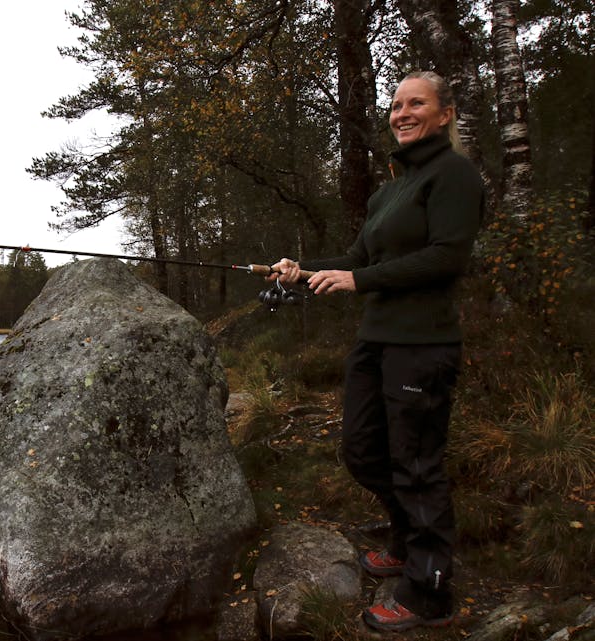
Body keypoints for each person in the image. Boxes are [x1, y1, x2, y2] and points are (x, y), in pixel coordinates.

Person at [269, 71, 485, 632]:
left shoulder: (454, 175)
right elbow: (356, 258)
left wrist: (359, 282)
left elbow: (446, 258)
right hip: (376, 340)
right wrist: (301, 271)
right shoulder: (389, 190)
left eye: (417, 103)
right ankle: (405, 539)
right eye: (396, 104)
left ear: (444, 115)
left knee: (417, 466)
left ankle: (430, 591)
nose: (403, 112)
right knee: (362, 450)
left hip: (424, 343)